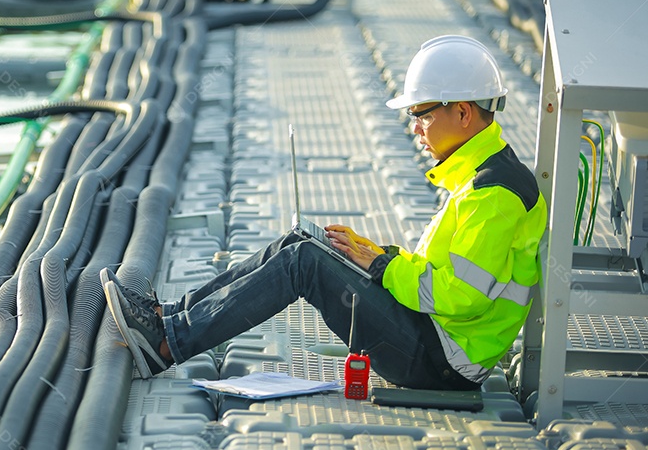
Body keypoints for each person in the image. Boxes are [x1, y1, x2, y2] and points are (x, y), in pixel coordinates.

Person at [101, 35, 547, 390]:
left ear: (464, 113)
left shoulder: (492, 194)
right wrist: (376, 255)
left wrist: (382, 266)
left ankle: (167, 343)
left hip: (440, 360)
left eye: (422, 115)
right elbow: (447, 276)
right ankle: (170, 318)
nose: (415, 129)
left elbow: (462, 297)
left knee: (303, 262)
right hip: (433, 335)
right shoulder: (482, 176)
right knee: (303, 240)